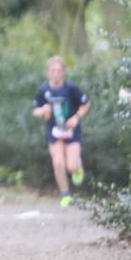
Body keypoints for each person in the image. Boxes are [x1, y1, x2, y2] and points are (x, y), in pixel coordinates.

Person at [32, 57, 90, 207]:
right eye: (53, 71)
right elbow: (35, 111)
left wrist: (76, 117)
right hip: (54, 131)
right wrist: (43, 110)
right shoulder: (44, 90)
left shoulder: (71, 89)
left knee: (71, 167)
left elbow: (86, 104)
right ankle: (65, 195)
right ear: (48, 73)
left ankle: (77, 166)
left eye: (59, 71)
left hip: (71, 131)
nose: (56, 73)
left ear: (63, 73)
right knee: (58, 162)